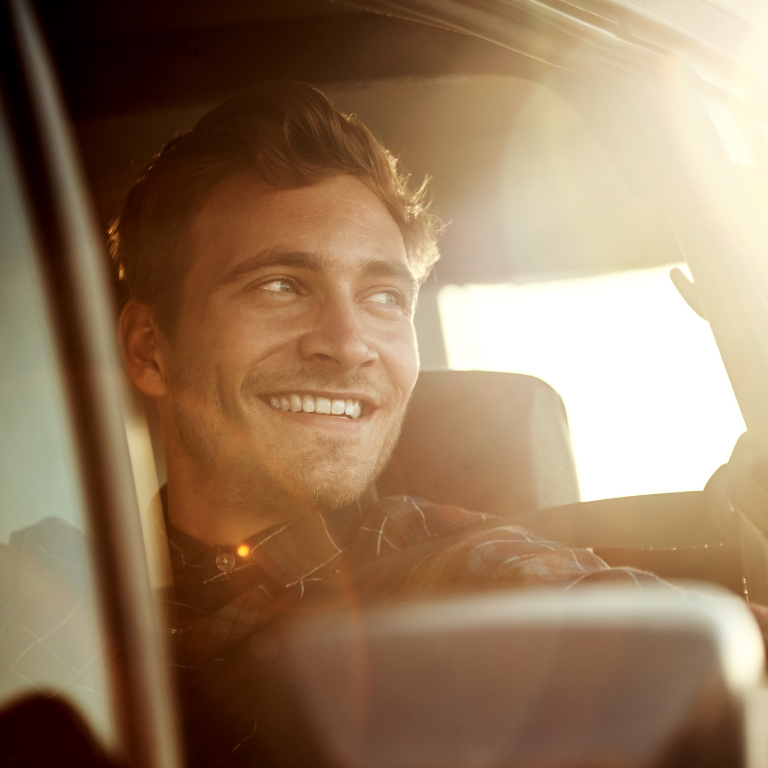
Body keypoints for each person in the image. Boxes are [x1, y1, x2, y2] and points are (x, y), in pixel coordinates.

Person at [111, 80, 670, 765]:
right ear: (149, 350)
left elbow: (692, 643)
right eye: (280, 285)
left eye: (383, 297)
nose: (347, 344)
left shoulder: (463, 574)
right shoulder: (51, 593)